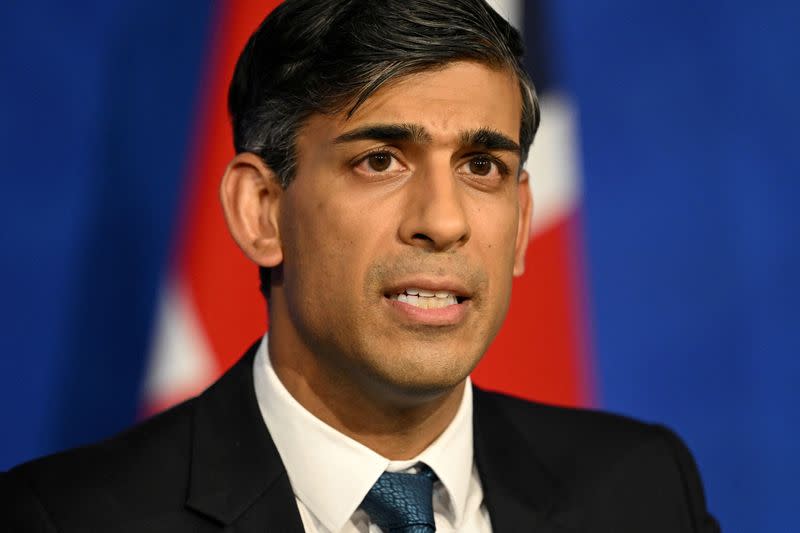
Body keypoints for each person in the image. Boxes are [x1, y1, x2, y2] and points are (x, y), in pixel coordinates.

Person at [1, 1, 719, 531]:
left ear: (523, 220)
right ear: (260, 209)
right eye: (380, 160)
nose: (443, 220)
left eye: (481, 165)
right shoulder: (65, 519)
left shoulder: (646, 490)